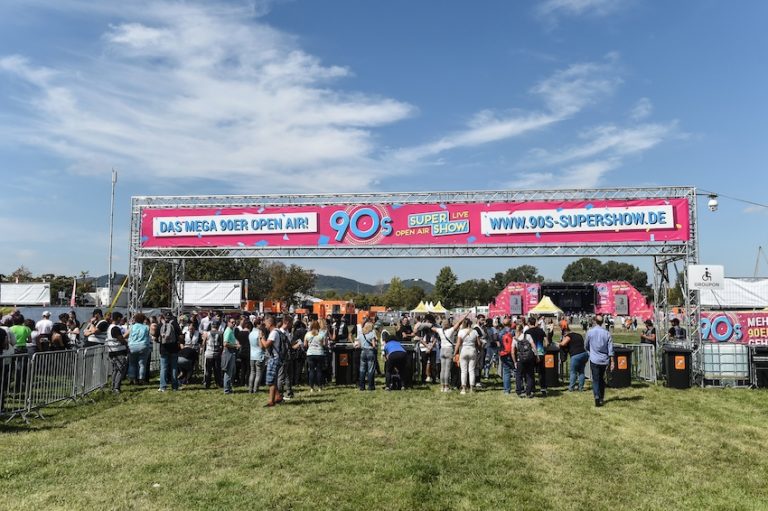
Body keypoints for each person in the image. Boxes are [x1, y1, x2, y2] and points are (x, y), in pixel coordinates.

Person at [586, 315, 614, 407]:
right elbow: (610, 349)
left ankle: (597, 396)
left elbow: (586, 344)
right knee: (602, 378)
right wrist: (612, 361)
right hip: (604, 359)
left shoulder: (590, 332)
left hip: (594, 359)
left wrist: (590, 350)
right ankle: (601, 397)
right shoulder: (607, 333)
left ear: (594, 321)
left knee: (596, 379)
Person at [105, 312, 128, 394]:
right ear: (118, 318)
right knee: (120, 369)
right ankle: (116, 387)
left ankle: (113, 386)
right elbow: (121, 339)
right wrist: (126, 344)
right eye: (121, 318)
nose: (121, 320)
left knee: (115, 369)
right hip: (118, 351)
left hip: (111, 351)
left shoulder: (109, 327)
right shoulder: (115, 328)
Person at [157, 313, 182, 392]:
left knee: (163, 368)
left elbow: (155, 335)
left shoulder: (161, 324)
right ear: (171, 317)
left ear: (165, 317)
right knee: (174, 368)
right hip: (174, 349)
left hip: (163, 349)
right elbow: (180, 335)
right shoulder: (175, 324)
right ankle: (175, 386)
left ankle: (162, 386)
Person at [263, 316, 284, 407]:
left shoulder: (273, 333)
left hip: (274, 358)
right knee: (273, 380)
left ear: (270, 323)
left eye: (266, 323)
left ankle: (271, 401)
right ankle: (278, 396)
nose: (265, 325)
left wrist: (261, 338)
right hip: (277, 358)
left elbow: (266, 345)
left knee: (270, 381)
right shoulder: (278, 331)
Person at [559, 325, 588, 392]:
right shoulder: (579, 335)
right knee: (581, 372)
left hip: (576, 355)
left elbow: (563, 344)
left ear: (566, 332)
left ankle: (571, 388)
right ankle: (580, 388)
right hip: (584, 354)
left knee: (573, 372)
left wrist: (559, 344)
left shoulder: (569, 336)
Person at [454, 318, 479, 395]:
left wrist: (455, 353)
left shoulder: (461, 331)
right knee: (471, 370)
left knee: (463, 371)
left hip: (464, 350)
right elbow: (479, 343)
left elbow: (458, 344)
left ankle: (463, 388)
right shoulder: (475, 331)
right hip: (472, 350)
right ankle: (471, 388)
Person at [512, 324, 537, 398]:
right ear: (522, 330)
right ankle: (529, 392)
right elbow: (533, 346)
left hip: (520, 359)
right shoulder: (528, 336)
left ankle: (519, 391)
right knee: (530, 375)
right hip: (529, 358)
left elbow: (512, 351)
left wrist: (514, 361)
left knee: (519, 375)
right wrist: (536, 355)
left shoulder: (515, 339)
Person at [526, 316, 548, 397]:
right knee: (542, 372)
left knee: (530, 372)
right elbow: (546, 342)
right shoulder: (541, 331)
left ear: (528, 323)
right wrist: (544, 349)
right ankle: (543, 389)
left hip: (531, 354)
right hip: (541, 353)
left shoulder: (527, 332)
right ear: (535, 322)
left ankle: (532, 389)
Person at [127, 313, 152, 385]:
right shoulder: (146, 327)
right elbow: (152, 334)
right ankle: (141, 379)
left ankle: (132, 379)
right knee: (142, 364)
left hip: (132, 346)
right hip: (143, 346)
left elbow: (125, 335)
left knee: (132, 363)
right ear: (143, 319)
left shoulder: (132, 327)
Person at [304, 320, 327, 392]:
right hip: (319, 353)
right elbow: (324, 344)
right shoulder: (322, 334)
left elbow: (305, 345)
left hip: (310, 354)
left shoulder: (307, 334)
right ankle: (320, 387)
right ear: (318, 326)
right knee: (319, 370)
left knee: (311, 370)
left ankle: (311, 387)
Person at [356, 319, 378, 391]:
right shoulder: (372, 334)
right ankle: (371, 386)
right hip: (370, 351)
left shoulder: (360, 334)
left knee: (362, 370)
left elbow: (358, 345)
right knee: (370, 370)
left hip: (363, 352)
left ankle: (362, 386)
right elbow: (374, 345)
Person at [202, 319, 224, 389]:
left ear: (211, 326)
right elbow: (221, 345)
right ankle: (218, 383)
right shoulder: (220, 333)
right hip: (217, 354)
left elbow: (204, 343)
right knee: (217, 370)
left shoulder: (206, 333)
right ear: (218, 326)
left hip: (208, 354)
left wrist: (204, 351)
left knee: (208, 370)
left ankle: (207, 384)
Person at [248, 320, 267, 393]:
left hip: (252, 355)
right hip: (259, 355)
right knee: (258, 373)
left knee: (252, 372)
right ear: (258, 325)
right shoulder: (260, 333)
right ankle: (255, 389)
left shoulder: (251, 333)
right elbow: (262, 346)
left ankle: (250, 389)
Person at [221, 317, 239, 394]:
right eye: (232, 322)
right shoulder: (228, 331)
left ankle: (229, 388)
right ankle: (227, 390)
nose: (234, 324)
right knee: (228, 372)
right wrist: (235, 346)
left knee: (231, 372)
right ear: (228, 323)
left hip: (231, 352)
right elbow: (225, 343)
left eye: (234, 322)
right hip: (228, 352)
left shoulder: (231, 331)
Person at [498, 318, 515, 395]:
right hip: (513, 352)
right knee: (517, 370)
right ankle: (520, 387)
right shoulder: (513, 332)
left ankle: (506, 390)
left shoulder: (500, 332)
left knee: (506, 371)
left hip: (504, 353)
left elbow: (499, 343)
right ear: (510, 323)